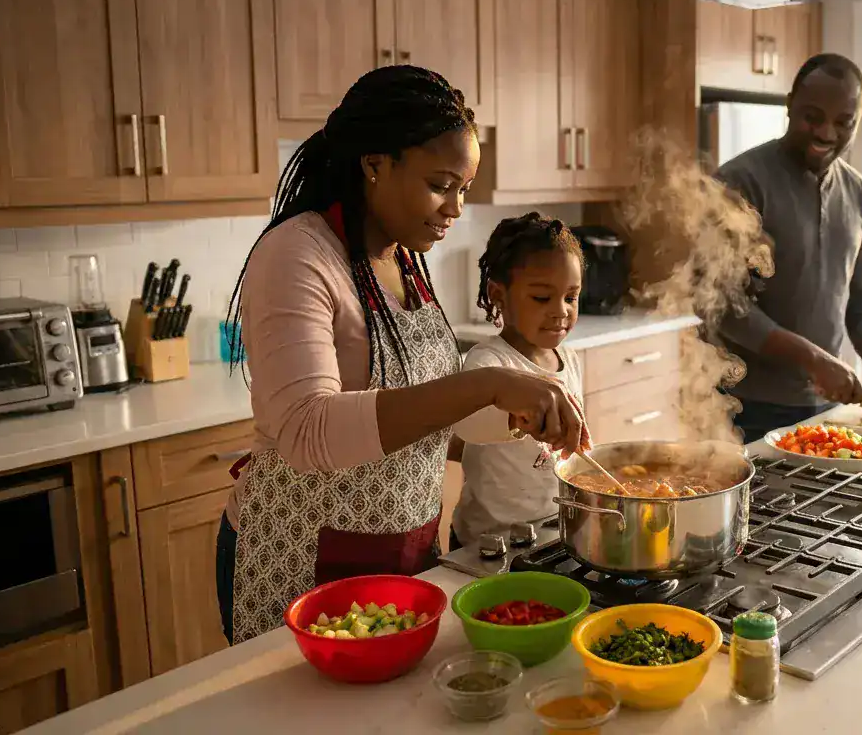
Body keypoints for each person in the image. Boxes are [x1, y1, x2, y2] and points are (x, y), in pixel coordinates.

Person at [215, 66, 585, 645]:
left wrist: (512, 421)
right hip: (304, 559)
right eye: (441, 185)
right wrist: (486, 384)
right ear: (374, 164)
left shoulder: (403, 256)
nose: (456, 209)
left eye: (463, 189)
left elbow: (419, 413)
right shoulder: (297, 254)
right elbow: (309, 431)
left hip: (404, 548)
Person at [716, 53, 862, 444]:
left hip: (829, 408)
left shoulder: (856, 191)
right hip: (744, 404)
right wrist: (814, 359)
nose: (826, 132)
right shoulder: (740, 183)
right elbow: (723, 305)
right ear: (789, 105)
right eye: (813, 115)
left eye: (844, 122)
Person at [450, 212, 585, 550]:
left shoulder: (570, 360)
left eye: (571, 297)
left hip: (552, 532)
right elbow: (467, 426)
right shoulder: (489, 362)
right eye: (542, 298)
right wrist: (519, 417)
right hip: (489, 540)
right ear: (499, 295)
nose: (561, 310)